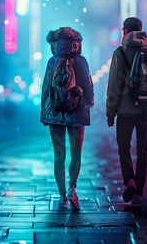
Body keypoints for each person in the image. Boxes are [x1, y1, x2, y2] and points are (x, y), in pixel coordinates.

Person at [106, 17, 147, 206]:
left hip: (124, 110)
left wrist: (110, 112)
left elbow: (114, 83)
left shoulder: (120, 52)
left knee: (124, 147)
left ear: (125, 31)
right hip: (146, 110)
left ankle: (129, 180)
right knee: (142, 150)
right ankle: (138, 192)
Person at [40, 27, 94, 210]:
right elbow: (87, 84)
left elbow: (46, 87)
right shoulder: (81, 60)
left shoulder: (52, 61)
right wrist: (89, 103)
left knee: (58, 155)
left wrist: (44, 110)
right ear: (76, 43)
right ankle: (73, 189)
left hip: (54, 112)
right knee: (76, 153)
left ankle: (61, 196)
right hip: (77, 111)